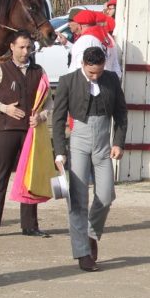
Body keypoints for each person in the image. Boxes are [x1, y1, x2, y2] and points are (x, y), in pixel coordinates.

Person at [51, 46, 126, 272]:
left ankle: (91, 234)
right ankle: (83, 252)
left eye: (99, 72)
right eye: (92, 72)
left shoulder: (111, 79)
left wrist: (118, 142)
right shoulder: (67, 81)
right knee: (77, 199)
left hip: (103, 142)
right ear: (83, 64)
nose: (96, 76)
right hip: (79, 140)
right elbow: (58, 118)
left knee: (106, 195)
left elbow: (121, 113)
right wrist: (59, 151)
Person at [0, 31, 51, 239]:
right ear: (12, 47)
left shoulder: (39, 71)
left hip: (31, 131)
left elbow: (50, 103)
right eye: (21, 47)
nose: (25, 51)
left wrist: (41, 117)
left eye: (28, 47)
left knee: (30, 177)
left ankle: (30, 225)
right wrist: (3, 108)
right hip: (8, 129)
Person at [67, 8, 120, 77]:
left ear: (80, 26)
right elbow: (116, 66)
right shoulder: (108, 38)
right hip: (109, 83)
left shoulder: (85, 40)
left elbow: (81, 68)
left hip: (89, 85)